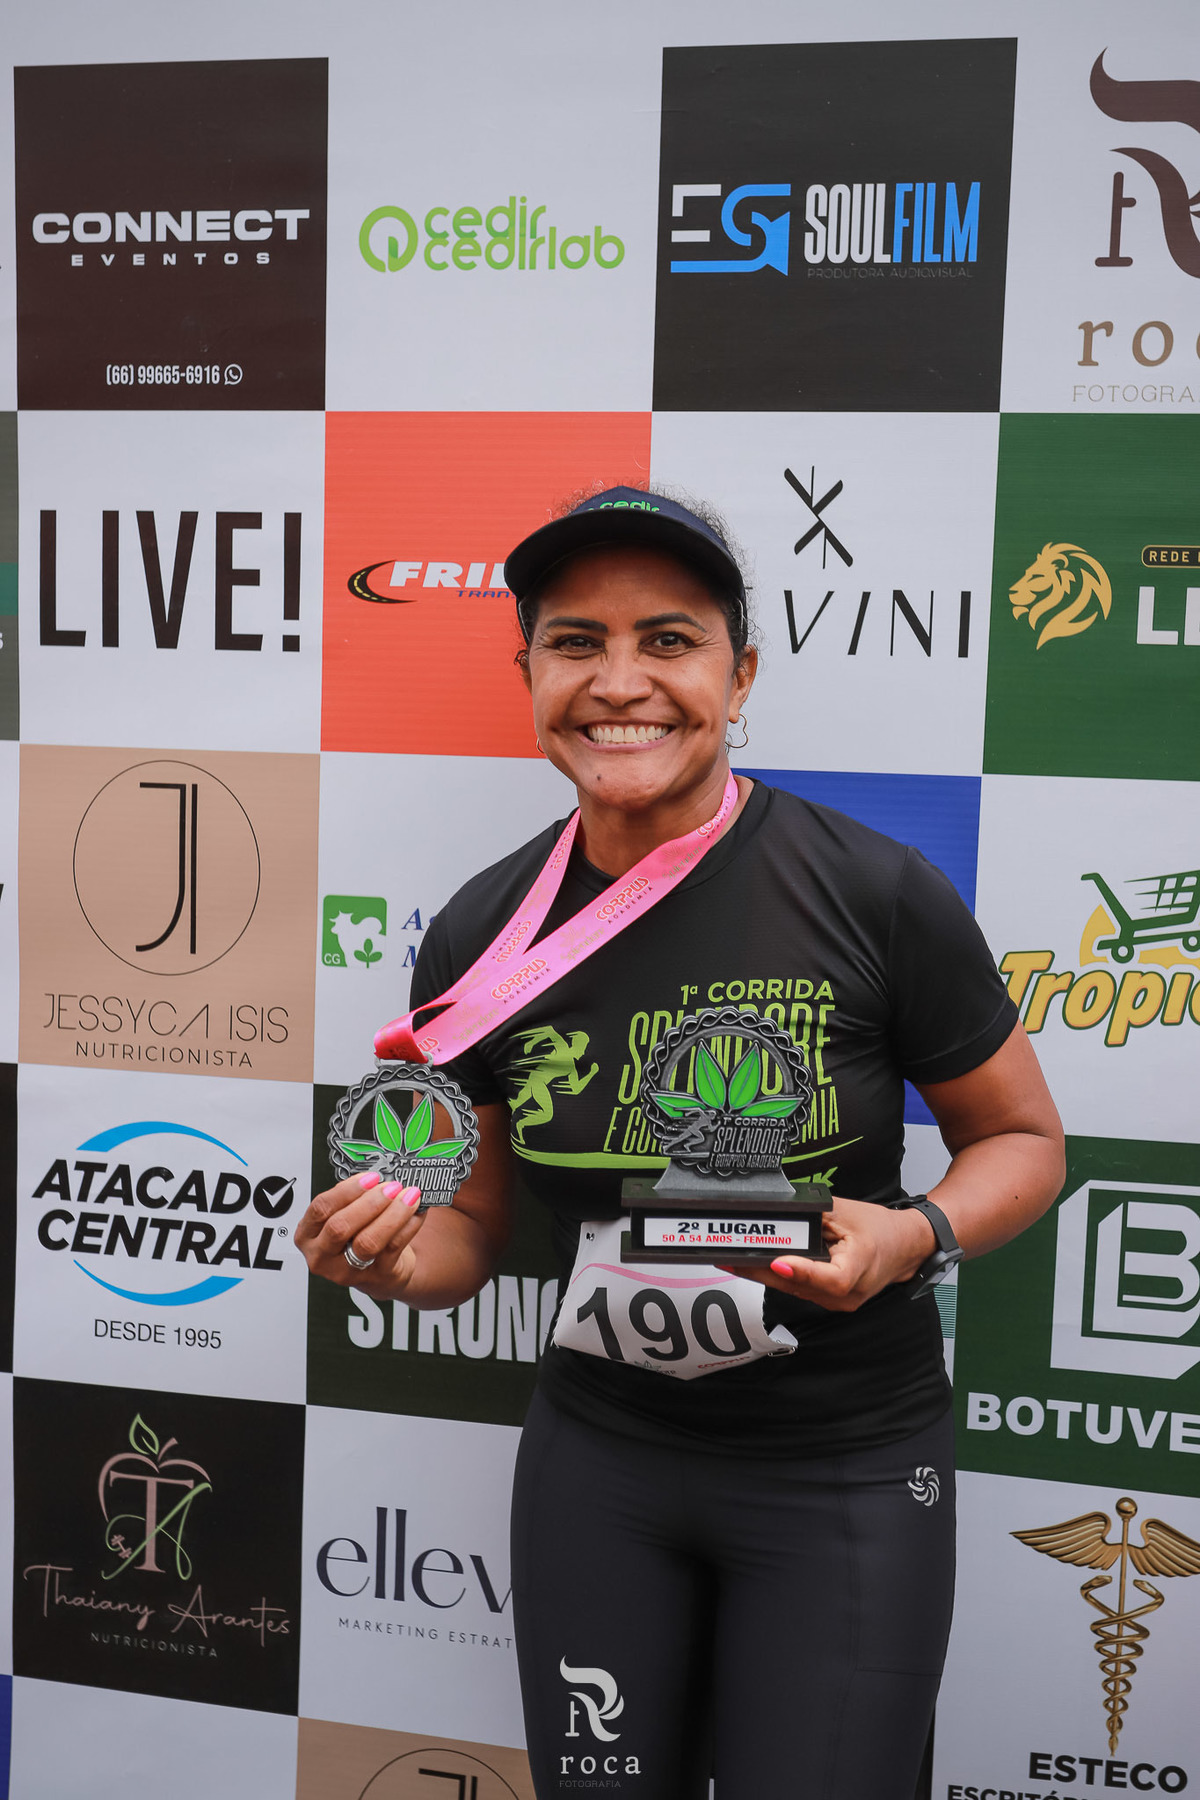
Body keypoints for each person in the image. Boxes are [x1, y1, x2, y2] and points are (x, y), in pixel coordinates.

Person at [298, 485, 1065, 1800]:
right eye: (575, 643)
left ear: (739, 674)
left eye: (669, 640)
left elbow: (1023, 1140)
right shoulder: (482, 932)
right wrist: (392, 1261)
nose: (620, 683)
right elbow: (470, 1229)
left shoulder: (874, 888)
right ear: (529, 676)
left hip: (844, 1469)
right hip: (602, 1468)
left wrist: (913, 1235)